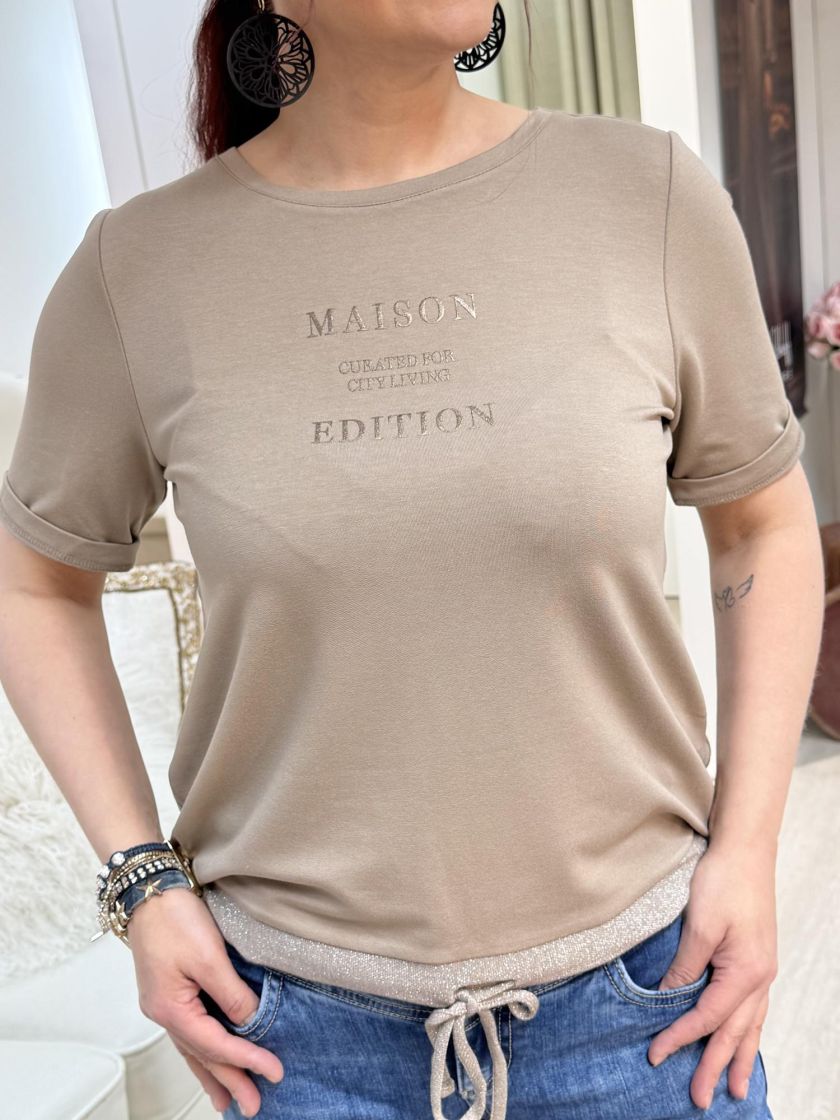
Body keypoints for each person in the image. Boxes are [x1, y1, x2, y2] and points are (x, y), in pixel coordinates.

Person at [0, 1, 824, 1118]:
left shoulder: (648, 197)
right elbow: (35, 584)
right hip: (300, 1046)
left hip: (650, 1012)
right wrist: (140, 881)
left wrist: (751, 849)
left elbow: (761, 522)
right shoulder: (136, 270)